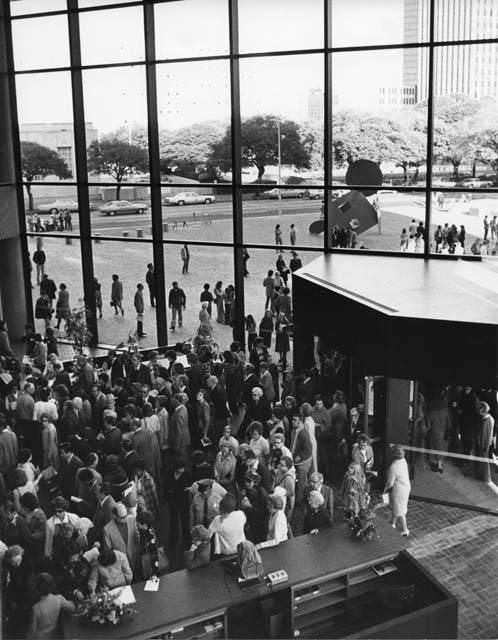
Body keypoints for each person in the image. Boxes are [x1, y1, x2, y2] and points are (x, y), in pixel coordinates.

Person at [27, 572, 75, 640]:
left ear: (37, 589)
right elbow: (72, 608)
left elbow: (32, 632)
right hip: (54, 635)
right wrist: (70, 601)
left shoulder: (35, 608)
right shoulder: (59, 598)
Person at [383, 445, 411, 537]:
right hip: (406, 487)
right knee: (397, 506)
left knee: (400, 511)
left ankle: (405, 530)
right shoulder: (403, 461)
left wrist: (385, 490)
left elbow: (390, 483)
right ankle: (392, 522)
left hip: (399, 491)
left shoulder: (393, 467)